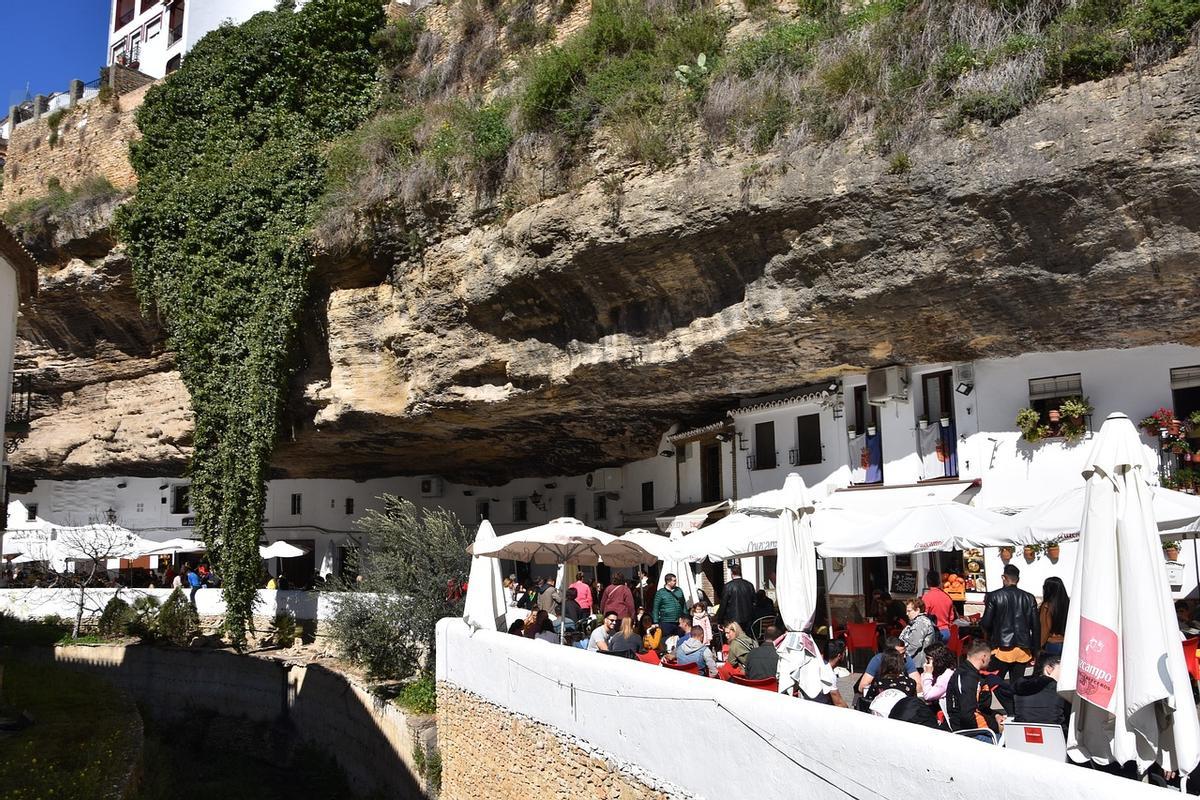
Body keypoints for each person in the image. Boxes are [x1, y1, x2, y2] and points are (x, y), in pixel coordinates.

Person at [979, 563, 1040, 713]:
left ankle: (1009, 709)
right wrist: (1036, 650)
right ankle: (1017, 710)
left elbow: (986, 623)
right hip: (1023, 649)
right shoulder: (1029, 598)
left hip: (1001, 648)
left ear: (1003, 578)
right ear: (1018, 579)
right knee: (1017, 684)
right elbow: (1036, 626)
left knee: (991, 680)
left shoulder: (994, 596)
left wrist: (989, 632)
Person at [946, 640, 1003, 742]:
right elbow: (967, 714)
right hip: (970, 734)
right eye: (990, 657)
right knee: (1013, 743)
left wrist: (996, 715)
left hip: (977, 729)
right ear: (984, 657)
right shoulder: (967, 677)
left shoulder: (973, 675)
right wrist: (995, 726)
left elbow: (980, 707)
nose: (990, 661)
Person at [1013, 653, 1070, 733]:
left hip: (1023, 738)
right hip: (1056, 740)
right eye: (1063, 669)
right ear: (1049, 669)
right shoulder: (1061, 691)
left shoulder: (1021, 687)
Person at [858, 637, 920, 702]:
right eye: (900, 654)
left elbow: (919, 685)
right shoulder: (877, 660)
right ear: (889, 654)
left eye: (905, 653)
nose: (904, 656)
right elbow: (862, 686)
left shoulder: (906, 659)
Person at [898, 597, 939, 669]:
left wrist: (901, 656)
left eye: (909, 611)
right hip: (914, 661)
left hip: (917, 664)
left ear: (917, 610)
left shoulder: (921, 623)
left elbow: (915, 644)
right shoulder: (917, 622)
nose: (906, 614)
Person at [808, 639, 849, 707]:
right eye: (844, 652)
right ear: (839, 656)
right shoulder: (828, 673)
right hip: (819, 708)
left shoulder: (814, 661)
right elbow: (839, 703)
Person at [717, 564, 755, 632]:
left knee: (734, 639)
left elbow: (723, 604)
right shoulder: (749, 585)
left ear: (732, 573)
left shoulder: (728, 586)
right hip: (748, 619)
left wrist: (720, 620)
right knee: (745, 639)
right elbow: (754, 602)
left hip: (732, 620)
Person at [922, 569, 955, 642]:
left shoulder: (926, 597)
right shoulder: (947, 597)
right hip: (946, 632)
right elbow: (951, 617)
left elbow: (924, 617)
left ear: (928, 582)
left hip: (933, 633)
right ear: (939, 582)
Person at [1039, 576, 1069, 656]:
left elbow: (1044, 630)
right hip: (1066, 644)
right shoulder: (1069, 604)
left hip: (1052, 644)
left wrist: (1039, 647)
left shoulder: (1047, 606)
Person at [652, 573, 687, 640]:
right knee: (667, 640)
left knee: (681, 639)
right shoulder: (660, 593)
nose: (675, 582)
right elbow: (656, 608)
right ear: (668, 582)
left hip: (679, 621)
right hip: (666, 622)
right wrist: (656, 621)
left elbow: (683, 604)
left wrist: (685, 617)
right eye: (673, 580)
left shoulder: (679, 590)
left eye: (675, 580)